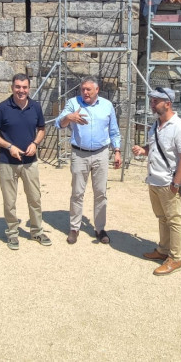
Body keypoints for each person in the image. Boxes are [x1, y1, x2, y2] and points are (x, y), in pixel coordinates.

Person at [131, 87, 181, 276]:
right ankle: (163, 250)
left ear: (168, 103)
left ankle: (175, 258)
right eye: (151, 101)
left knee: (173, 220)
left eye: (156, 101)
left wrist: (176, 183)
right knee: (162, 217)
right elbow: (155, 148)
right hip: (154, 179)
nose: (152, 104)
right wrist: (144, 150)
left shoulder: (180, 128)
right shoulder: (155, 126)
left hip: (168, 182)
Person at [55, 76, 122, 245]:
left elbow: (114, 130)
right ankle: (74, 228)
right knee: (77, 192)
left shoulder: (107, 106)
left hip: (101, 153)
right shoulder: (73, 103)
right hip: (79, 154)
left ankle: (100, 229)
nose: (85, 92)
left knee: (101, 193)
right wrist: (69, 117)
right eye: (82, 89)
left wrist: (117, 151)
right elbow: (58, 124)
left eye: (88, 89)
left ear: (97, 90)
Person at [0, 74, 51, 250]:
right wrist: (9, 146)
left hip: (30, 162)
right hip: (7, 162)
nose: (21, 90)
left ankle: (37, 231)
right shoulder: (2, 108)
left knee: (35, 198)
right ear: (12, 87)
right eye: (17, 87)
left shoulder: (35, 107)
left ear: (28, 88)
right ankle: (13, 233)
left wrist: (35, 143)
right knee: (10, 200)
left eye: (24, 87)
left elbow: (41, 129)